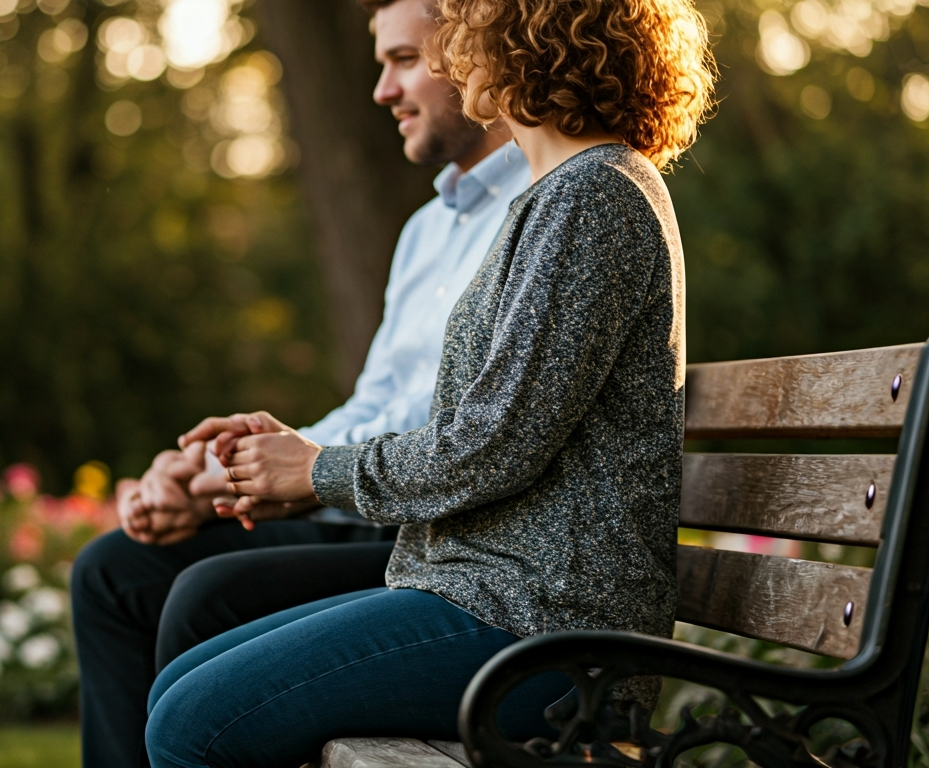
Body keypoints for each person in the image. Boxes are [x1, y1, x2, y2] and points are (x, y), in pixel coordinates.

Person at [142, 0, 716, 761]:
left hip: (548, 633)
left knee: (191, 724)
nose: (450, 53)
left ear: (523, 37)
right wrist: (302, 455)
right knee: (180, 689)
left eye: (464, 29)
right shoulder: (557, 198)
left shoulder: (596, 195)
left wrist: (319, 468)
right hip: (494, 602)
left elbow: (492, 445)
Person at [69, 0, 532, 764]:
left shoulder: (545, 208)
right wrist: (224, 477)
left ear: (475, 56)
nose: (382, 90)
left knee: (205, 599)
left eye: (404, 60)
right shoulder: (426, 231)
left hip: (441, 535)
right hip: (382, 507)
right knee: (113, 572)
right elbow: (375, 406)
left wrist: (295, 469)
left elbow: (472, 435)